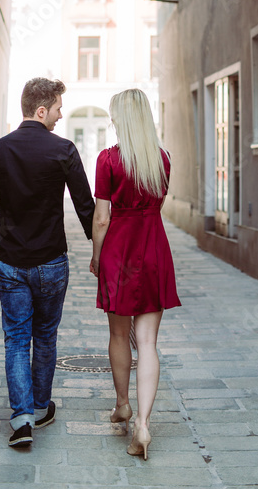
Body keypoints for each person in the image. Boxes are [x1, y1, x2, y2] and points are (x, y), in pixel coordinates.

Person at [0, 77, 94, 448]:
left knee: (15, 340)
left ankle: (22, 418)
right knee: (44, 337)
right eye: (58, 108)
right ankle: (41, 407)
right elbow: (85, 207)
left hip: (10, 263)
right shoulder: (64, 150)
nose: (61, 116)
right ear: (41, 110)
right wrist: (99, 252)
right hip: (51, 264)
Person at [89, 88, 181, 460]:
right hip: (154, 247)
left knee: (118, 335)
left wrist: (97, 258)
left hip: (120, 250)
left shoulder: (108, 160)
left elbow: (101, 218)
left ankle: (123, 404)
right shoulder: (162, 159)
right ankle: (143, 423)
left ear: (120, 120)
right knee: (148, 342)